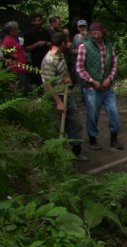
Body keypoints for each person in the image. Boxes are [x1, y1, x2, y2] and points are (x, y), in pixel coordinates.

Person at [76, 21, 124, 151]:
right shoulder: (84, 47)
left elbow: (114, 64)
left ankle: (114, 139)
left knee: (113, 112)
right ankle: (93, 139)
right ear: (90, 34)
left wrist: (109, 78)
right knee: (93, 114)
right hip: (91, 88)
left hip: (107, 87)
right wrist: (92, 81)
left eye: (98, 33)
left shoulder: (108, 46)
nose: (96, 36)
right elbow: (79, 68)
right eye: (93, 34)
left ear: (103, 32)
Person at [41, 32, 87, 162]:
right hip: (56, 96)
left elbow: (63, 73)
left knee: (75, 122)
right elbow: (47, 84)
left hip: (67, 94)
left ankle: (76, 152)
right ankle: (59, 156)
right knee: (58, 127)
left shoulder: (60, 55)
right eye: (67, 42)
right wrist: (58, 102)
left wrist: (67, 78)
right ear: (62, 44)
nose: (69, 44)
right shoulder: (49, 60)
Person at [2, 21, 31, 95]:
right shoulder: (7, 40)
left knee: (24, 90)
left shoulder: (14, 39)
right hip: (15, 69)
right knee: (18, 91)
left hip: (21, 68)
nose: (19, 31)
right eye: (17, 29)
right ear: (11, 31)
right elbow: (2, 49)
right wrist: (9, 53)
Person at [23, 13, 50, 86]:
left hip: (47, 59)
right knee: (39, 81)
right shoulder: (28, 33)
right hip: (36, 61)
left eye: (39, 20)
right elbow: (26, 49)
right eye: (35, 21)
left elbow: (51, 43)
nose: (37, 22)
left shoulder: (46, 32)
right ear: (32, 22)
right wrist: (36, 44)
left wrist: (48, 43)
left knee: (49, 79)